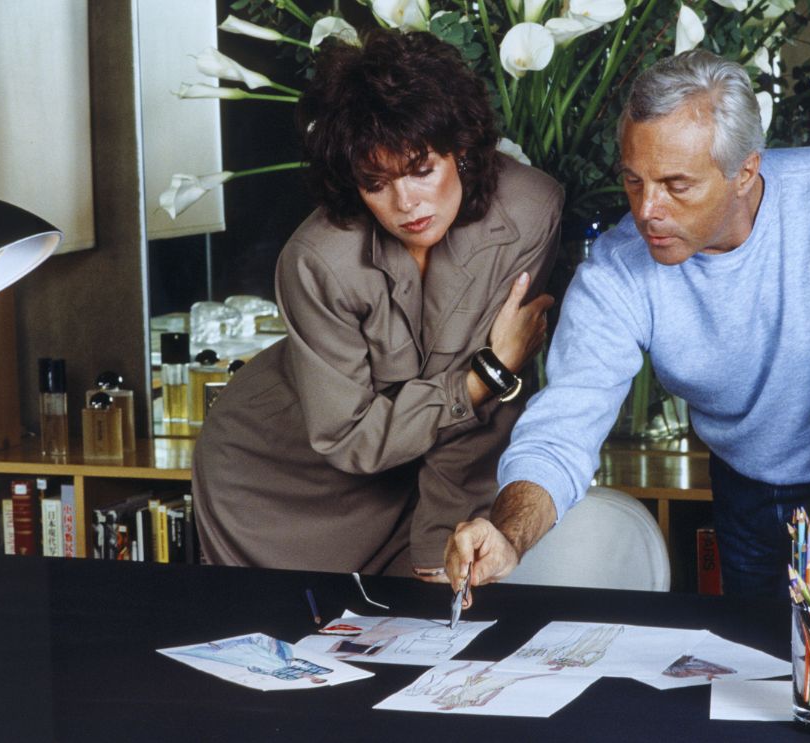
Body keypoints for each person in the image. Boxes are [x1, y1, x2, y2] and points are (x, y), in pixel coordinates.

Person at [445, 50, 810, 604]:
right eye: (633, 181)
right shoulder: (616, 270)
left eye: (676, 184)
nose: (647, 211)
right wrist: (508, 534)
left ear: (744, 171)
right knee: (759, 647)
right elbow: (563, 425)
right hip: (745, 478)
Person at [193, 30, 563, 579]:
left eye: (421, 169)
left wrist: (439, 548)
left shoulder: (528, 210)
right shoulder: (317, 260)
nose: (406, 203)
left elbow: (483, 424)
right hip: (275, 483)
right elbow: (349, 437)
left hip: (410, 486)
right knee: (284, 632)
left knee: (429, 625)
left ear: (461, 149)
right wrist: (483, 376)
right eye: (375, 182)